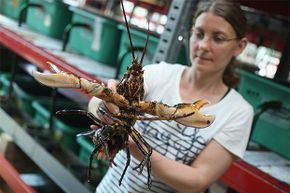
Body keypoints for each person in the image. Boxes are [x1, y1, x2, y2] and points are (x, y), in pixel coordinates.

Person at [88, 0, 254, 192]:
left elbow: (197, 180)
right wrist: (103, 107)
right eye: (198, 34)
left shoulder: (238, 112)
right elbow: (96, 101)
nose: (203, 46)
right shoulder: (158, 73)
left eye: (218, 38)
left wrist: (133, 145)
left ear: (240, 46)